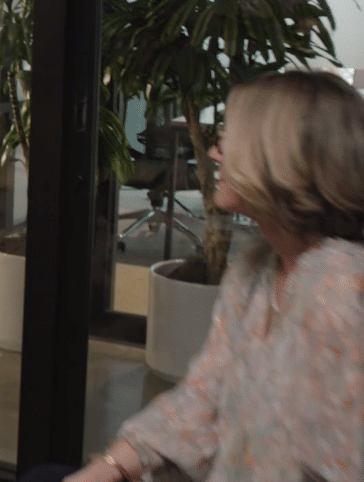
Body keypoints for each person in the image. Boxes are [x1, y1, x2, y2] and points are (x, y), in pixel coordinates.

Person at [40, 70, 364, 482]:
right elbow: (203, 399)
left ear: (282, 159)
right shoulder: (254, 273)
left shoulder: (341, 287)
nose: (214, 153)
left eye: (232, 139)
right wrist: (110, 467)